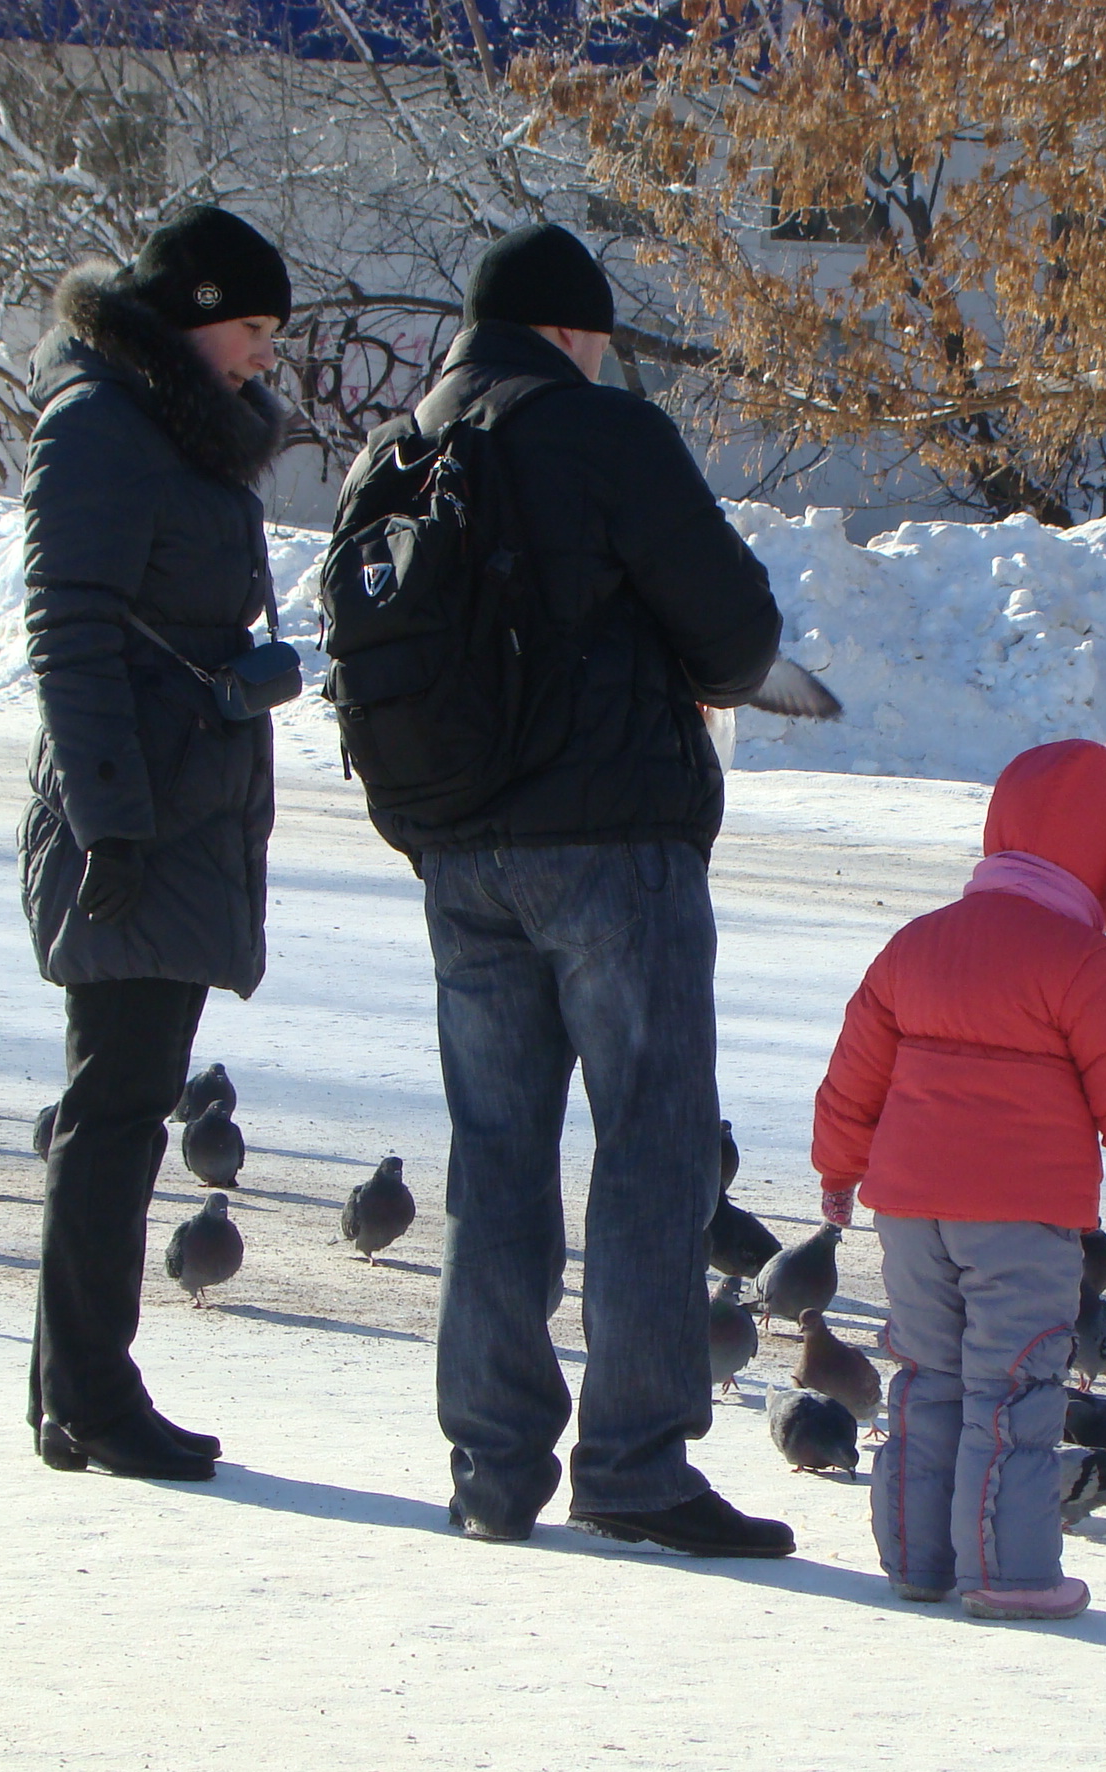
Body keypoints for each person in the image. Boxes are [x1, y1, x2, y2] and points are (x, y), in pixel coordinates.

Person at [408, 224, 792, 1555]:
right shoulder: (606, 437)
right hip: (615, 852)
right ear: (575, 335)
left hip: (458, 858)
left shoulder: (401, 456)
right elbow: (739, 634)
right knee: (649, 1141)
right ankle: (634, 1467)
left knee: (496, 1154)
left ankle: (492, 1467)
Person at [812, 740, 1106, 1619]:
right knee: (1013, 1394)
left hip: (910, 1212)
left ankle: (918, 1561)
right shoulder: (1085, 967)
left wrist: (838, 1169)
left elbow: (854, 1074)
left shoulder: (917, 944)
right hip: (1021, 1221)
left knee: (927, 1380)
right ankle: (1008, 1574)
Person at [16, 207, 293, 1482]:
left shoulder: (166, 429)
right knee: (120, 1107)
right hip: (131, 816)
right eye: (250, 330)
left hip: (175, 804)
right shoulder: (102, 427)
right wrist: (112, 826)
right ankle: (95, 1393)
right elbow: (70, 637)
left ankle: (68, 1393)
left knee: (122, 1104)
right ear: (191, 316)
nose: (262, 358)